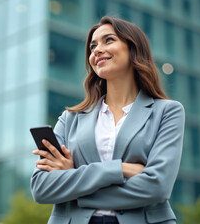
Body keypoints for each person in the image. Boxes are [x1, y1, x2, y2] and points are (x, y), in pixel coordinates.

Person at [31, 16, 185, 224]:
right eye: (93, 46)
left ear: (133, 48)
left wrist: (74, 185)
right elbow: (42, 188)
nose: (97, 50)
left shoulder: (167, 112)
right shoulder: (70, 118)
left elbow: (157, 187)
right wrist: (121, 168)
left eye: (108, 40)